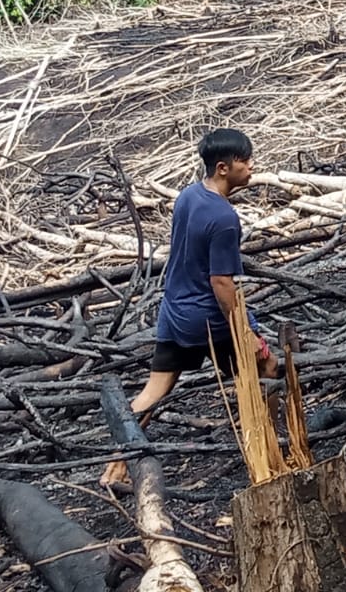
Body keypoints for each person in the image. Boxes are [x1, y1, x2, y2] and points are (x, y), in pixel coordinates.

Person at [100, 128, 277, 486]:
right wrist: (246, 332)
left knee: (153, 391)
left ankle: (115, 469)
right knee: (266, 370)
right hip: (208, 319)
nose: (252, 166)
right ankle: (270, 460)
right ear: (224, 168)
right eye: (246, 160)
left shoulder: (188, 196)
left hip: (174, 310)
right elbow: (222, 283)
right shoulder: (225, 219)